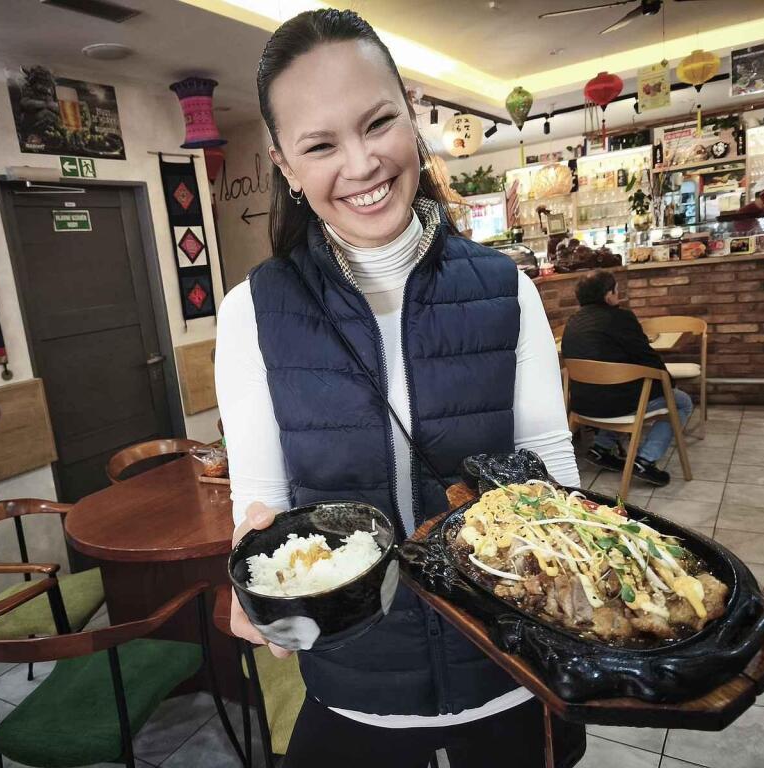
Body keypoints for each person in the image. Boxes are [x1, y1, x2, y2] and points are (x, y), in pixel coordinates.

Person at [215, 9, 584, 767]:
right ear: (286, 166)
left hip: (511, 668)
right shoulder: (252, 311)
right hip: (355, 686)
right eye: (320, 145)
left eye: (378, 122)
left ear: (411, 118)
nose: (361, 164)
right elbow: (263, 505)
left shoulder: (505, 289)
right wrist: (260, 577)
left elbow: (554, 478)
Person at [560, 270, 693, 486]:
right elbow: (647, 357)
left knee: (615, 392)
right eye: (616, 290)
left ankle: (601, 448)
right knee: (682, 402)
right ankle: (645, 460)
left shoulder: (572, 322)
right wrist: (668, 384)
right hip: (618, 405)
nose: (618, 294)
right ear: (608, 295)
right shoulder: (621, 318)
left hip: (582, 405)